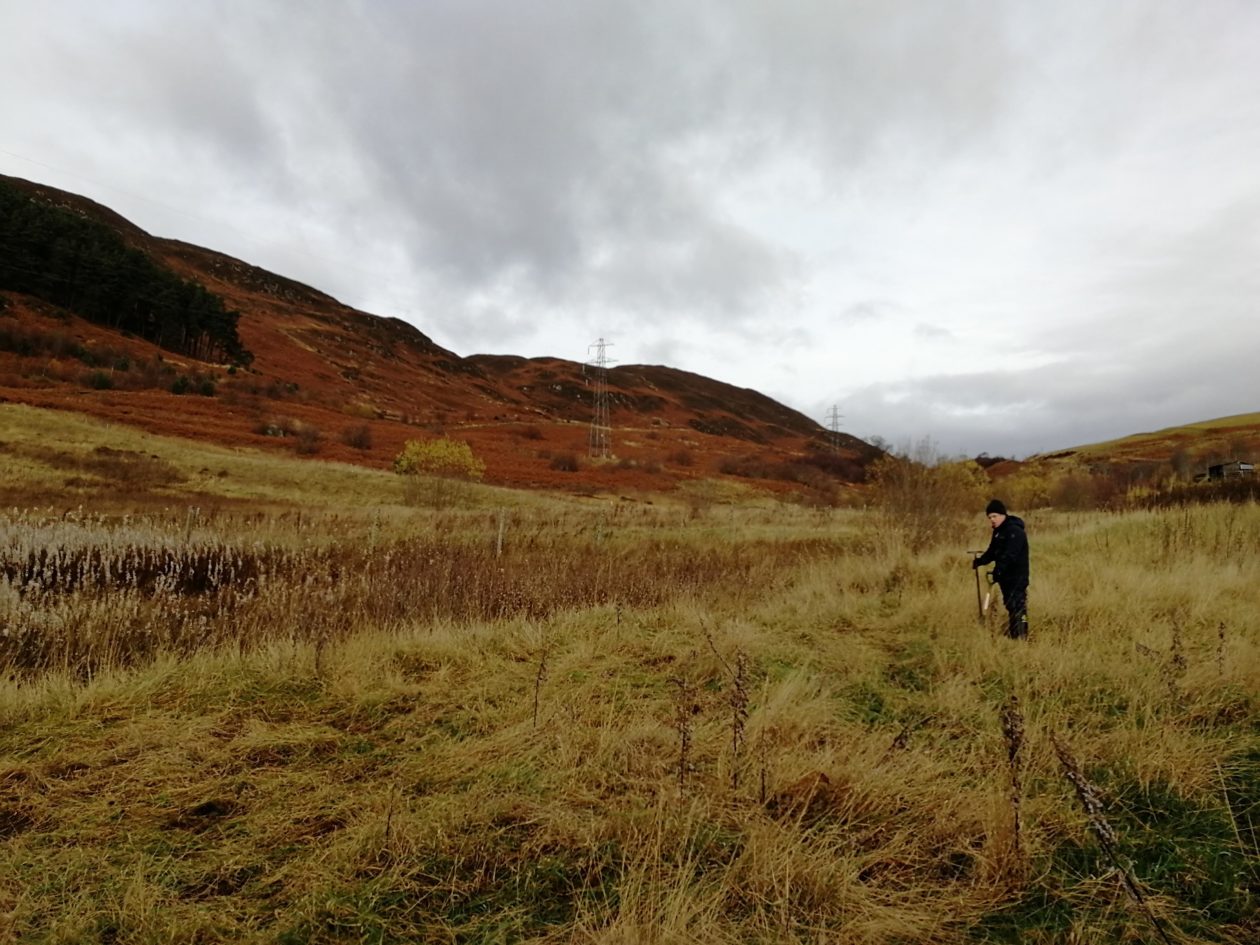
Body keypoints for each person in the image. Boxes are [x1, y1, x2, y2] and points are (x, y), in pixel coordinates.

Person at [972, 499, 1029, 639]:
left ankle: (1022, 635)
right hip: (1005, 578)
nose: (992, 519)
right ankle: (1014, 634)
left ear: (1003, 515)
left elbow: (1010, 555)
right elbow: (992, 551)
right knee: (1010, 605)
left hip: (1017, 577)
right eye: (989, 517)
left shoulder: (1015, 532)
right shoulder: (998, 532)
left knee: (1018, 606)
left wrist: (998, 570)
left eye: (994, 516)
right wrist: (980, 561)